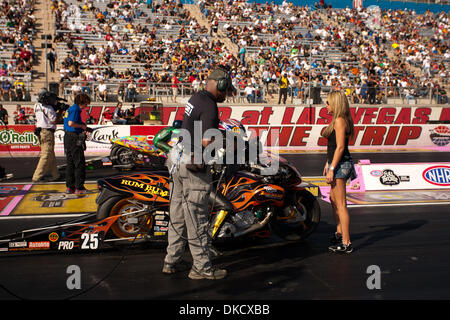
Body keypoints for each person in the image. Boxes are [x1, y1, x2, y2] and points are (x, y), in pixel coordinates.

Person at [162, 67, 235, 280]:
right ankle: (202, 268)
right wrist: (225, 141)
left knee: (177, 215)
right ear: (220, 85)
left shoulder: (196, 97)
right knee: (197, 217)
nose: (226, 94)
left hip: (177, 159)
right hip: (193, 164)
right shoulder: (210, 105)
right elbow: (206, 141)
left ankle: (171, 260)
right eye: (226, 90)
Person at [322, 91, 356, 254]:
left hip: (341, 165)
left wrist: (332, 168)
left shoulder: (340, 120)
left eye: (328, 103)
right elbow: (333, 146)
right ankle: (339, 233)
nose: (326, 106)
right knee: (333, 199)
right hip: (338, 163)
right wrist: (328, 162)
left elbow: (341, 147)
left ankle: (346, 242)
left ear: (335, 103)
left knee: (341, 205)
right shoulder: (338, 120)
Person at [63, 93, 91, 194]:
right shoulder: (75, 109)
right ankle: (79, 187)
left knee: (70, 163)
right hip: (73, 137)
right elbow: (71, 123)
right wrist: (82, 127)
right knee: (79, 163)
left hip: (68, 137)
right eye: (86, 104)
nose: (86, 107)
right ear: (82, 102)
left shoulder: (71, 108)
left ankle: (70, 187)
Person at [32, 90, 60, 182]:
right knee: (46, 154)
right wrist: (59, 112)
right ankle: (37, 176)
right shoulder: (49, 108)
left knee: (50, 154)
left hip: (40, 131)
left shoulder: (36, 105)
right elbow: (54, 120)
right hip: (47, 132)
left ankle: (55, 175)